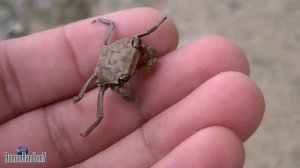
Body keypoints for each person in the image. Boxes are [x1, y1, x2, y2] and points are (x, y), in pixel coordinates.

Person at [0, 8, 264, 168]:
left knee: (148, 49)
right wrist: (123, 93)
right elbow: (101, 111)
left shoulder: (131, 44)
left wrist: (147, 43)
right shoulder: (105, 81)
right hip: (108, 72)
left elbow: (131, 35)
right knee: (102, 113)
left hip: (120, 52)